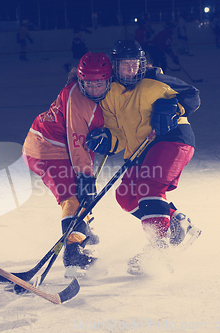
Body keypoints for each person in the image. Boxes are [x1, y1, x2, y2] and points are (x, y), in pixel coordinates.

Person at [86, 40, 201, 275]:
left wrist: (173, 107)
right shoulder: (109, 94)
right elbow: (118, 133)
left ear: (142, 64)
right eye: (123, 65)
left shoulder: (155, 81)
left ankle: (159, 248)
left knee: (149, 187)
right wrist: (107, 140)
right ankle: (177, 221)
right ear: (114, 67)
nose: (130, 70)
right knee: (126, 197)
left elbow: (192, 97)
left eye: (134, 65)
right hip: (141, 149)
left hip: (172, 138)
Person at [22, 52, 112, 278]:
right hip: (46, 149)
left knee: (82, 194)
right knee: (72, 196)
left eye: (99, 83)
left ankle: (82, 231)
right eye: (88, 84)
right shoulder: (78, 100)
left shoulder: (101, 94)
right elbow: (77, 143)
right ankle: (73, 256)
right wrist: (85, 177)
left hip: (62, 147)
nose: (93, 89)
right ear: (80, 80)